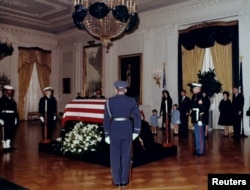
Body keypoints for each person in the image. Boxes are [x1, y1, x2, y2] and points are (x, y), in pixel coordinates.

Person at [103, 80, 141, 188]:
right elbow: (137, 117)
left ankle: (117, 180)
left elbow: (106, 119)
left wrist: (106, 134)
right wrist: (136, 131)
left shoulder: (109, 101)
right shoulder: (131, 101)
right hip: (127, 129)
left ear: (116, 90)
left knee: (114, 157)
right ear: (126, 90)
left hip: (114, 129)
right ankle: (124, 180)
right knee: (126, 156)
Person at [0, 85, 18, 153]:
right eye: (8, 90)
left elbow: (15, 110)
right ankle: (4, 147)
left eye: (11, 91)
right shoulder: (2, 100)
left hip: (12, 117)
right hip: (5, 117)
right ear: (5, 91)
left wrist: (16, 118)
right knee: (5, 132)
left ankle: (8, 146)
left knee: (11, 132)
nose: (10, 92)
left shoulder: (12, 100)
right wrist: (0, 119)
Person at [190, 83, 206, 156]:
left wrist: (200, 119)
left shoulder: (200, 97)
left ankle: (201, 151)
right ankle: (198, 149)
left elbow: (202, 109)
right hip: (195, 118)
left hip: (198, 119)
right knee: (197, 135)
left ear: (198, 89)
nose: (193, 89)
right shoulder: (195, 96)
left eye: (194, 88)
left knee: (199, 135)